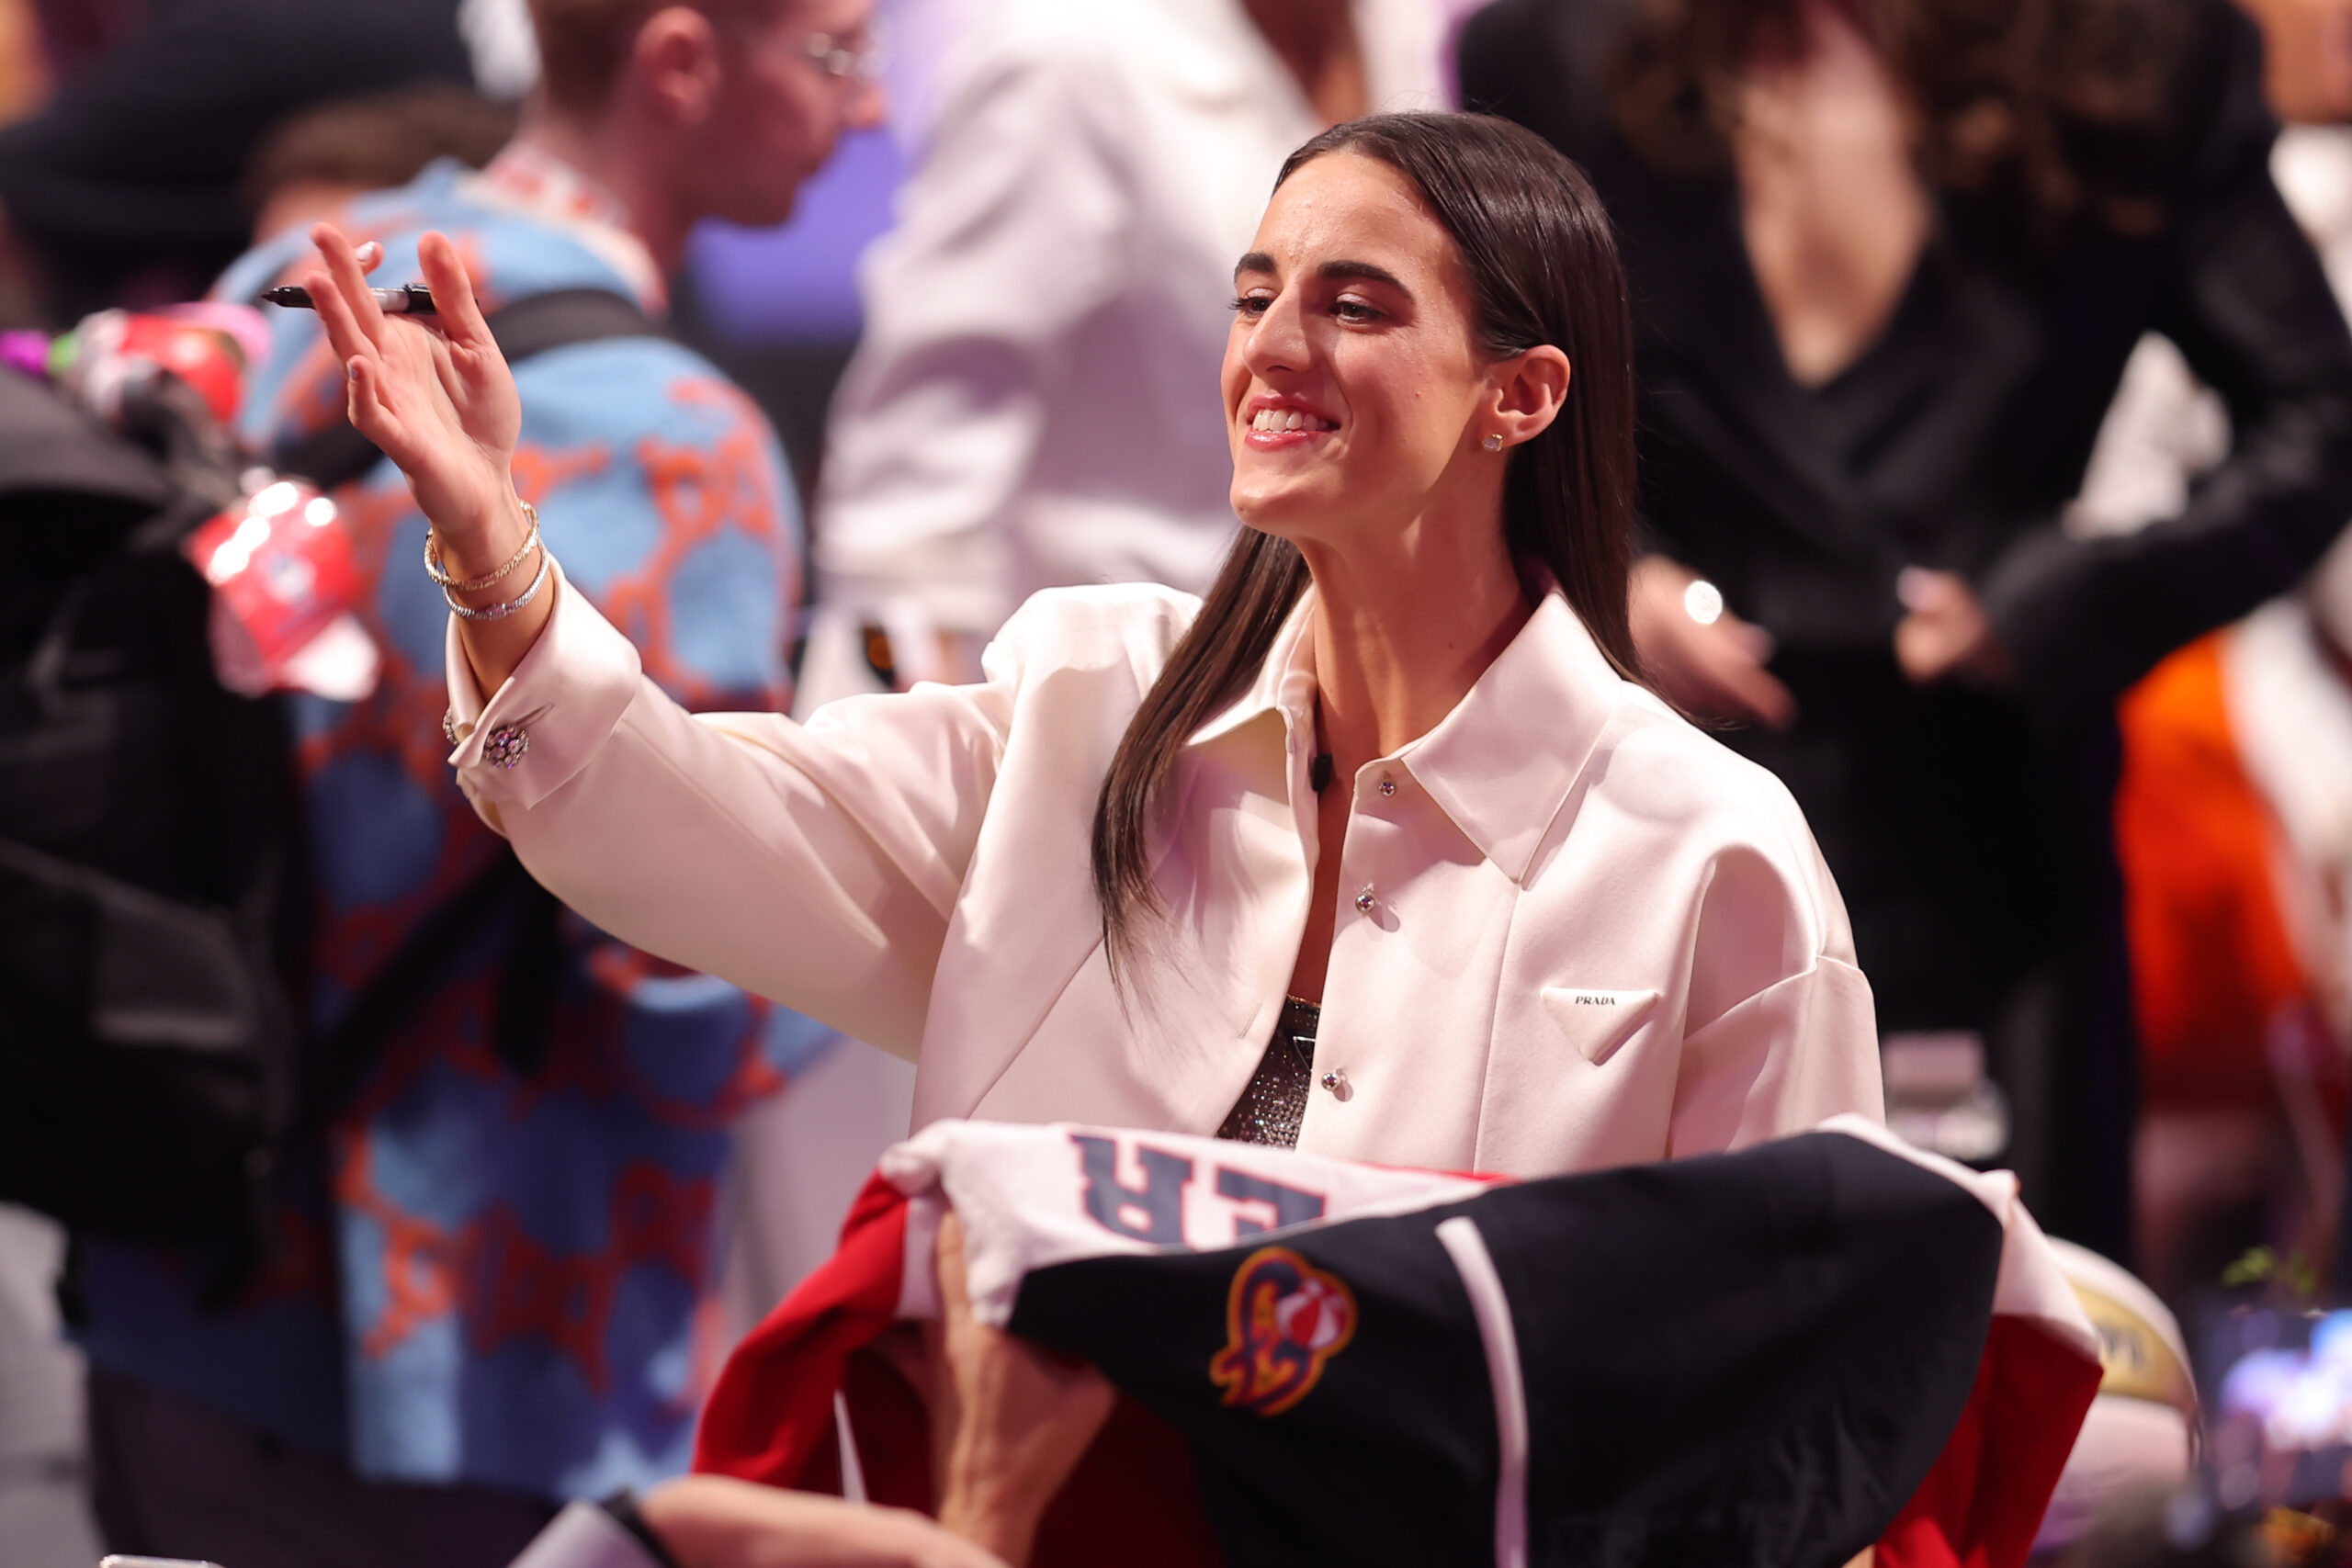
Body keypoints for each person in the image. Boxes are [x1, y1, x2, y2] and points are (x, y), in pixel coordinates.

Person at [300, 108, 1881, 1198]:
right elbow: (681, 820)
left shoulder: (1711, 854)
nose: (1272, 347)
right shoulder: (1086, 704)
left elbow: (1798, 1351)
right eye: (1255, 292)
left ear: (1518, 396)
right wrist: (493, 546)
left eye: (1354, 304)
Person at [66, 4, 883, 1568]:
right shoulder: (683, 443)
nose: (866, 115)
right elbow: (677, 960)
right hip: (475, 1342)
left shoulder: (309, 273)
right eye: (838, 56)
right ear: (680, 63)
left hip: (170, 1247)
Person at [1456, 0, 2352, 1259]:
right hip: (1658, 817)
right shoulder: (1556, 52)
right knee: (1674, 1330)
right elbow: (1475, 385)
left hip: (1991, 834)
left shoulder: (2132, 59)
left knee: (2001, 1342)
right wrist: (1619, 571)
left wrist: (2065, 596)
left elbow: (2317, 416)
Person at [804, 0, 1445, 691]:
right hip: (1103, 700)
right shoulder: (1066, 54)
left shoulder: (1407, 34)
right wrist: (917, 745)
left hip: (1339, 686)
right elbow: (911, 483)